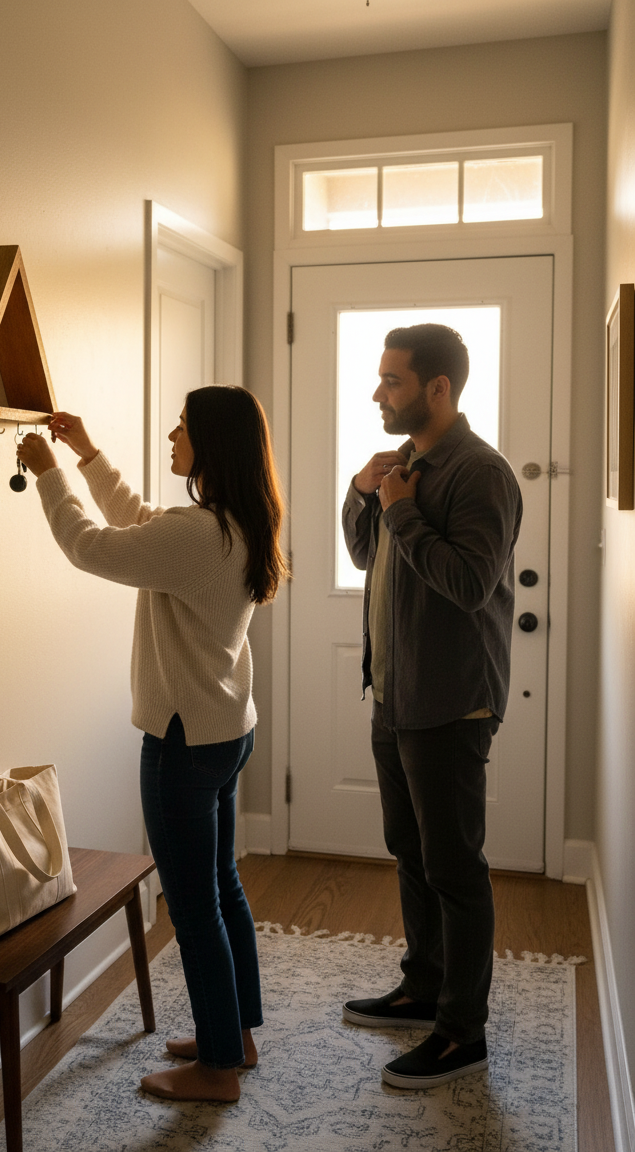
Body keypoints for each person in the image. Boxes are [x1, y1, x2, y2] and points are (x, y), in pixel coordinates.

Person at [16, 386, 289, 1103]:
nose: (172, 435)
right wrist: (86, 454)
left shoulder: (197, 534)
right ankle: (236, 1036)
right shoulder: (235, 521)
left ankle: (217, 1070)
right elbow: (140, 522)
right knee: (221, 888)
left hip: (182, 746)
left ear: (212, 445)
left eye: (183, 427)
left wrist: (49, 473)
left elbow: (90, 546)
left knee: (193, 909)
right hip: (225, 733)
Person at [340, 323, 522, 1089]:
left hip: (450, 702)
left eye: (393, 381)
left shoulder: (481, 473)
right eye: (381, 378)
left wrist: (402, 511)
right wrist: (364, 493)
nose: (377, 394)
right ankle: (423, 987)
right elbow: (365, 553)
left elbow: (470, 584)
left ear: (437, 388)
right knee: (411, 851)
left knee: (454, 868)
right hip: (395, 693)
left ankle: (461, 1033)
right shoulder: (404, 466)